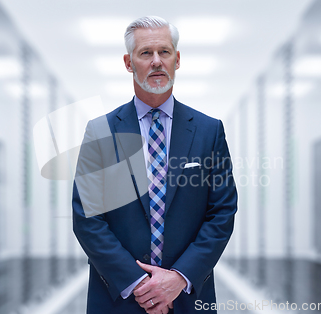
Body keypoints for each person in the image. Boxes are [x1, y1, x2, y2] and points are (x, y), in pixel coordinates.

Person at [72, 16, 237, 314]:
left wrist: (178, 278)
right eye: (146, 53)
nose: (157, 61)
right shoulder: (101, 132)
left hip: (187, 297)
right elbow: (87, 217)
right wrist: (138, 284)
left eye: (165, 52)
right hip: (119, 299)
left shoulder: (209, 131)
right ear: (128, 62)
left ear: (177, 59)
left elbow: (222, 212)